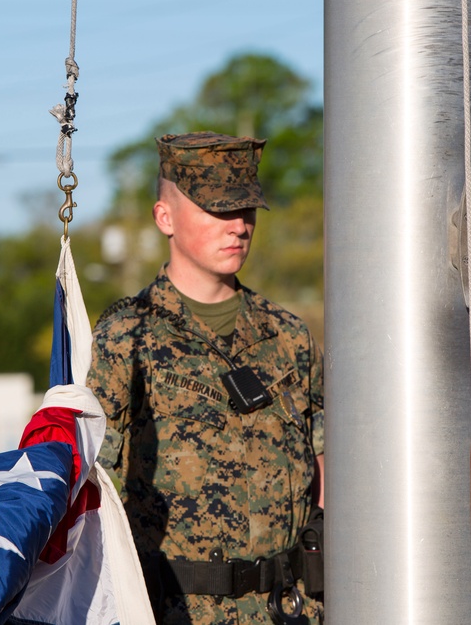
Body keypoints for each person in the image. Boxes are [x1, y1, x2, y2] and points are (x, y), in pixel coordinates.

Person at [88, 131, 325, 624]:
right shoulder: (126, 337)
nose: (238, 226)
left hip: (288, 609)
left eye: (247, 211)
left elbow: (323, 466)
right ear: (165, 217)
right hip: (177, 610)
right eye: (218, 211)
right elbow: (91, 486)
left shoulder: (287, 335)